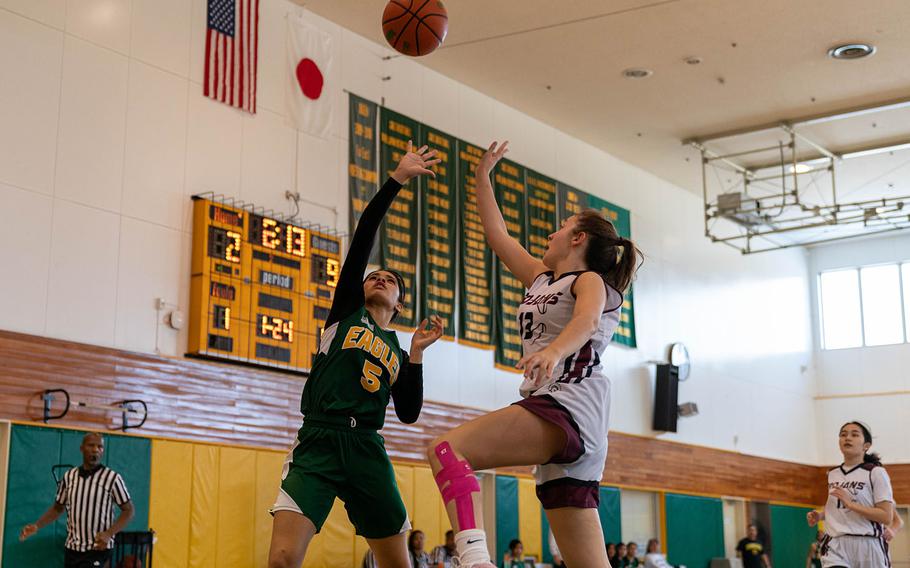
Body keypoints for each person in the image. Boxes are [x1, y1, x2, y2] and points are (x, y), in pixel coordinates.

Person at [427, 141, 641, 568]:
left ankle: (474, 559)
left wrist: (555, 352)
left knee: (447, 450)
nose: (550, 233)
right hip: (567, 418)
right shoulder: (542, 279)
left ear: (578, 238)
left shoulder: (591, 281)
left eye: (560, 227)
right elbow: (497, 236)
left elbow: (585, 322)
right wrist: (482, 178)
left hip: (571, 405)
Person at [267, 142, 444, 568]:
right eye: (374, 276)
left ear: (400, 303)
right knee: (282, 560)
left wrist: (416, 355)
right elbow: (364, 236)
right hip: (320, 439)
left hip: (366, 447)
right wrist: (397, 179)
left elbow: (408, 413)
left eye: (389, 279)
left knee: (397, 564)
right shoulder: (345, 314)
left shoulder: (398, 350)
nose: (379, 278)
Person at [19, 432, 134, 568]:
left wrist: (109, 533)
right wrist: (37, 525)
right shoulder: (69, 477)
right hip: (72, 548)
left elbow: (129, 510)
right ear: (82, 448)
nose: (96, 449)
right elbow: (57, 508)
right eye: (91, 445)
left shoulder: (112, 478)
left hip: (98, 548)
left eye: (100, 447)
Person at [807, 421, 895, 568]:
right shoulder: (833, 474)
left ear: (866, 446)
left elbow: (886, 517)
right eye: (843, 434)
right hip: (836, 544)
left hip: (868, 545)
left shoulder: (875, 472)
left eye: (854, 435)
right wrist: (821, 515)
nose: (847, 438)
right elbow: (838, 507)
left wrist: (852, 505)